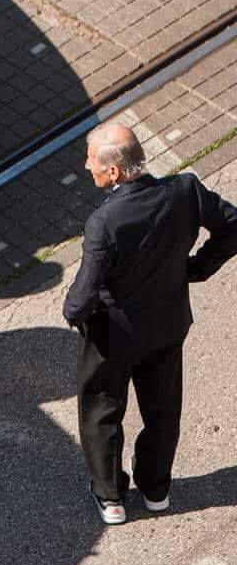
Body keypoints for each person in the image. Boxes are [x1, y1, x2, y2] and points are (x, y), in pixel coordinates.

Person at [62, 122, 237, 525]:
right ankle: (156, 489)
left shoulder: (104, 222)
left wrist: (72, 313)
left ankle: (111, 496)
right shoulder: (186, 191)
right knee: (162, 407)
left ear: (114, 173)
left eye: (92, 159)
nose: (86, 164)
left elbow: (82, 296)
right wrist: (195, 269)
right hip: (167, 323)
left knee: (102, 410)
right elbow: (231, 225)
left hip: (113, 336)